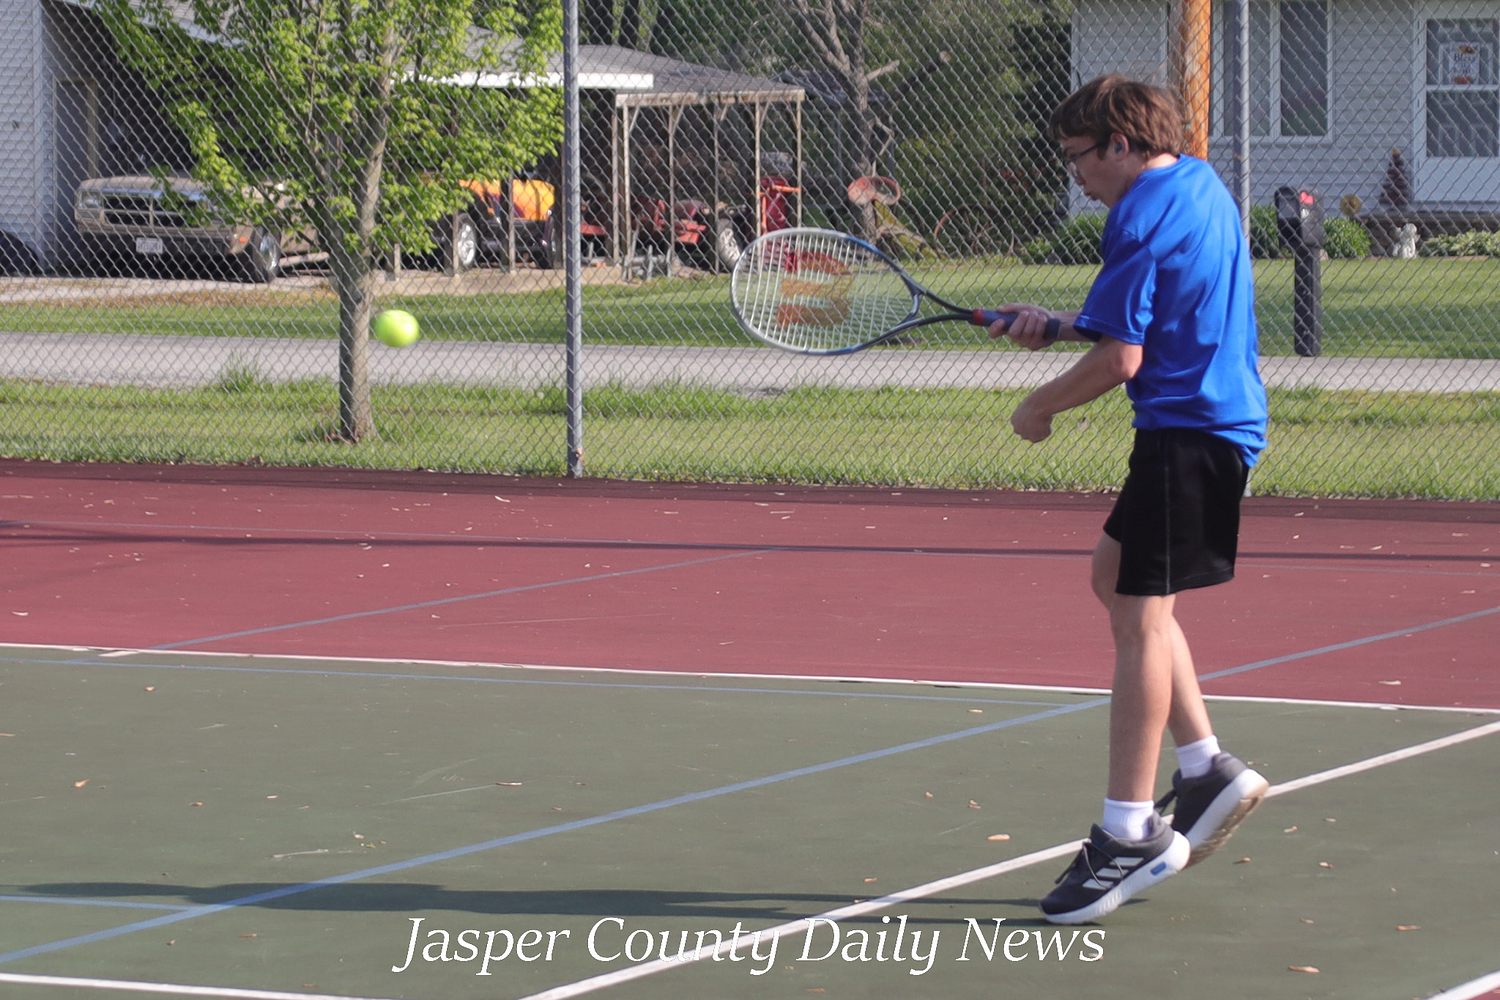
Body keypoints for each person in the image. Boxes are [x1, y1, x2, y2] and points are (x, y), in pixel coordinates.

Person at [990, 75, 1271, 925]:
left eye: (1078, 157)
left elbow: (1123, 361)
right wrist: (1057, 325)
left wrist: (1038, 407)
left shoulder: (1138, 214)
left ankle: (1128, 834)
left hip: (1190, 433)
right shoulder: (1196, 184)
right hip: (1205, 428)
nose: (1075, 175)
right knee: (1114, 580)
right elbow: (1144, 316)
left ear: (1120, 144)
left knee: (1142, 622)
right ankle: (1206, 770)